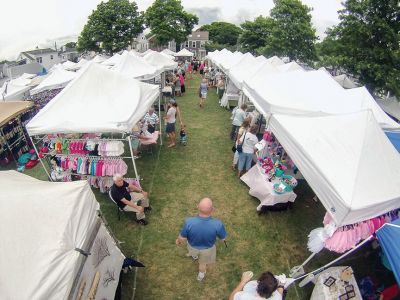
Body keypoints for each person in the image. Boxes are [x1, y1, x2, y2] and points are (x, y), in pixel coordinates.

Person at [176, 198, 227, 281]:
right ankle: (201, 275)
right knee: (202, 264)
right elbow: (223, 238)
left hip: (192, 247)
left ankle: (194, 256)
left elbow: (182, 238)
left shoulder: (189, 222)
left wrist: (178, 241)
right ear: (212, 209)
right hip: (207, 250)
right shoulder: (218, 224)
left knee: (193, 253)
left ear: (197, 207)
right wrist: (223, 239)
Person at [229, 271, 294, 300]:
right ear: (273, 290)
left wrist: (243, 282)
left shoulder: (244, 296)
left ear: (258, 282)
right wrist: (281, 285)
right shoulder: (277, 297)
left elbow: (231, 298)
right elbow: (279, 295)